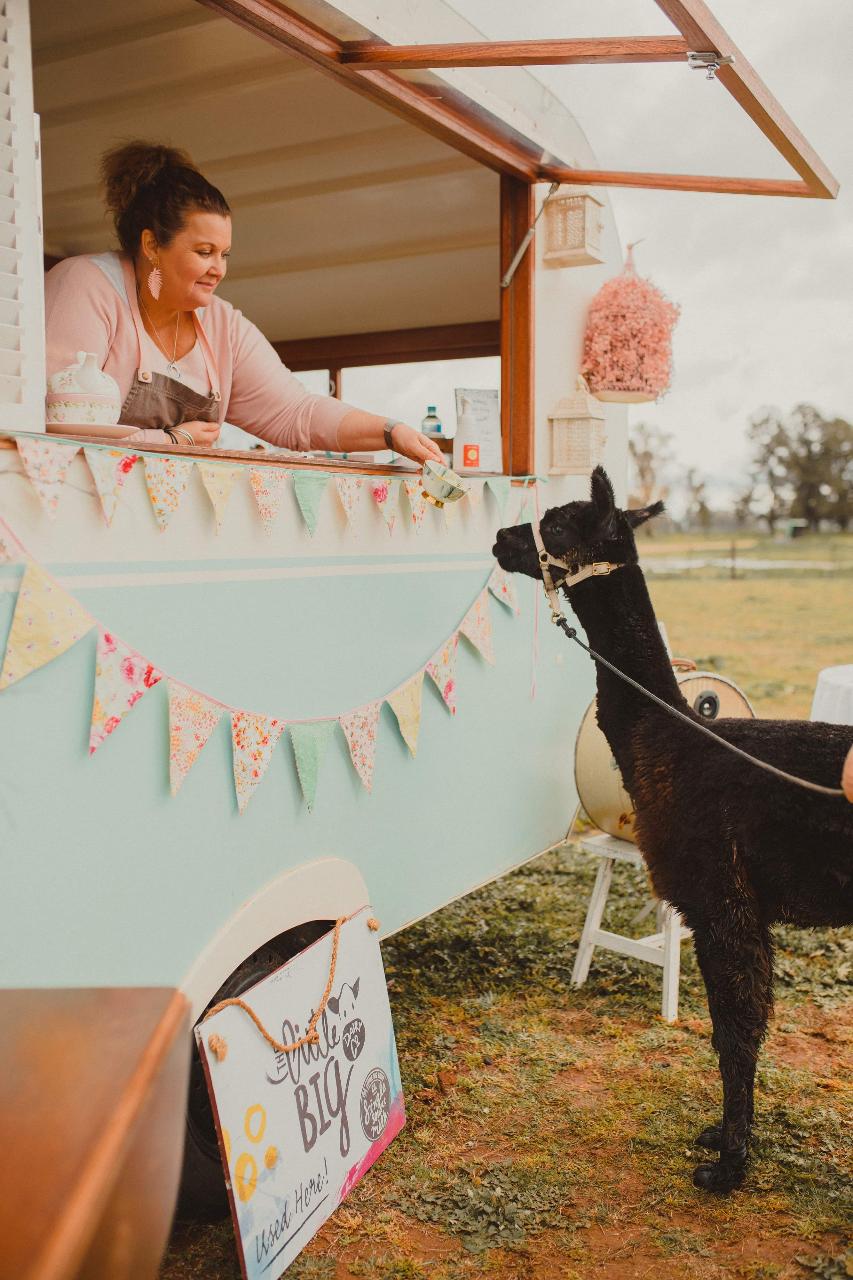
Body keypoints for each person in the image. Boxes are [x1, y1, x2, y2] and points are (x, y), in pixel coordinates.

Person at [44, 141, 444, 465]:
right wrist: (169, 439)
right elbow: (52, 424)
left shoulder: (223, 326)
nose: (218, 269)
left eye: (225, 254)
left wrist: (391, 432)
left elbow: (295, 413)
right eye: (204, 252)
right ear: (151, 244)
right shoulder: (87, 286)